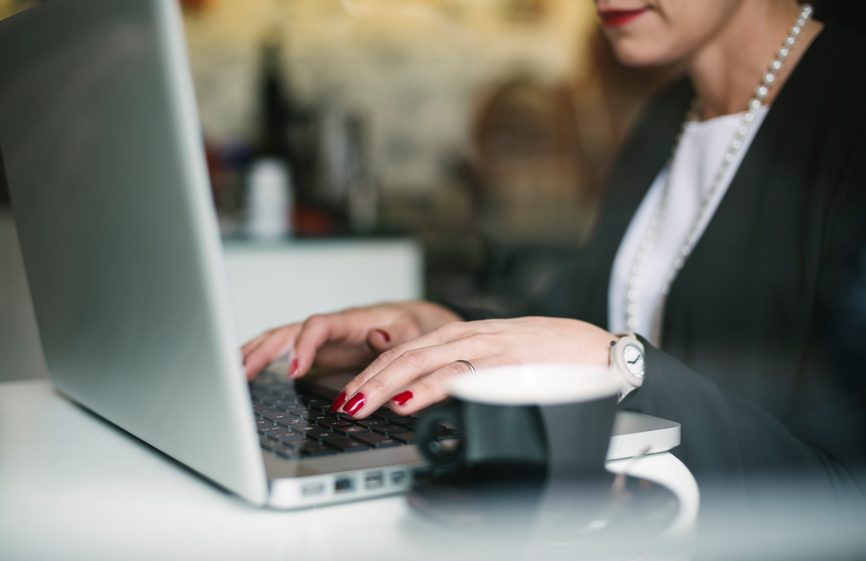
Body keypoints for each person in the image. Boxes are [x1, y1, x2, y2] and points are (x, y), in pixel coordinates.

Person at [243, 0, 866, 496]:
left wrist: (617, 365)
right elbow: (585, 318)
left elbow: (844, 489)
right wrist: (441, 330)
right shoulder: (665, 120)